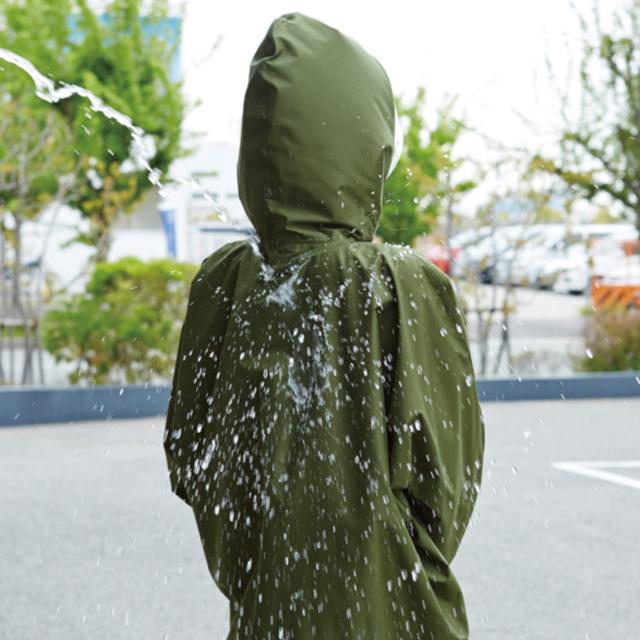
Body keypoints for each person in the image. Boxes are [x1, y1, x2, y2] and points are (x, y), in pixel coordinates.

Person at [164, 12, 484, 640]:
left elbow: (193, 457)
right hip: (397, 611)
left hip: (266, 612)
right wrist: (394, 552)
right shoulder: (399, 283)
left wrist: (257, 559)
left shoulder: (226, 279)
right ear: (370, 146)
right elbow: (446, 472)